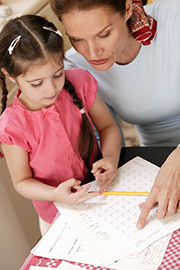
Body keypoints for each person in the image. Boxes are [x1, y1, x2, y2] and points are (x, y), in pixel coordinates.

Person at [50, 0, 180, 229]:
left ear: (128, 8)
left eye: (104, 34)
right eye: (77, 39)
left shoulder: (175, 19)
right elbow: (106, 136)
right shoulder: (75, 67)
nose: (92, 52)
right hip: (155, 161)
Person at [0, 14, 121, 234]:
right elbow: (22, 182)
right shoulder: (12, 124)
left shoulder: (80, 82)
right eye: (37, 83)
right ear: (9, 75)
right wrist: (54, 194)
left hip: (102, 197)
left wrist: (110, 158)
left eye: (58, 74)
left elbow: (108, 127)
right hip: (57, 219)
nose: (51, 89)